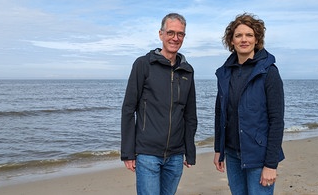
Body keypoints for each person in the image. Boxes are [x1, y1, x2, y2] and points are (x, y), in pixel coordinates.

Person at [120, 13, 198, 195]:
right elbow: (128, 109)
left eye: (180, 34)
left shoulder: (187, 70)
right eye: (171, 32)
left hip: (176, 155)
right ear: (161, 34)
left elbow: (190, 115)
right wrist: (128, 152)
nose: (175, 38)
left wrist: (190, 151)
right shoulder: (143, 65)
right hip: (147, 153)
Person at [213, 13, 285, 195]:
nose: (243, 40)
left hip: (259, 156)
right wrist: (218, 149)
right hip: (232, 154)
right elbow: (220, 113)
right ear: (231, 41)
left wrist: (271, 164)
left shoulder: (269, 72)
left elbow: (276, 120)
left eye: (249, 35)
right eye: (238, 35)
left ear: (257, 39)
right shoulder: (224, 73)